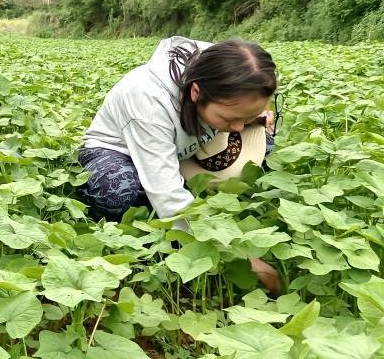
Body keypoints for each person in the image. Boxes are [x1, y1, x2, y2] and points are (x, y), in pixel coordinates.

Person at [78, 36, 281, 292]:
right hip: (117, 151)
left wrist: (253, 117)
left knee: (267, 147)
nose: (239, 126)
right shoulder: (148, 100)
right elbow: (168, 197)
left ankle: (189, 181)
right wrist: (240, 257)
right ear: (196, 92)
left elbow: (241, 107)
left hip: (179, 151)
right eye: (230, 117)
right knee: (120, 192)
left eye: (245, 117)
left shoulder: (227, 67)